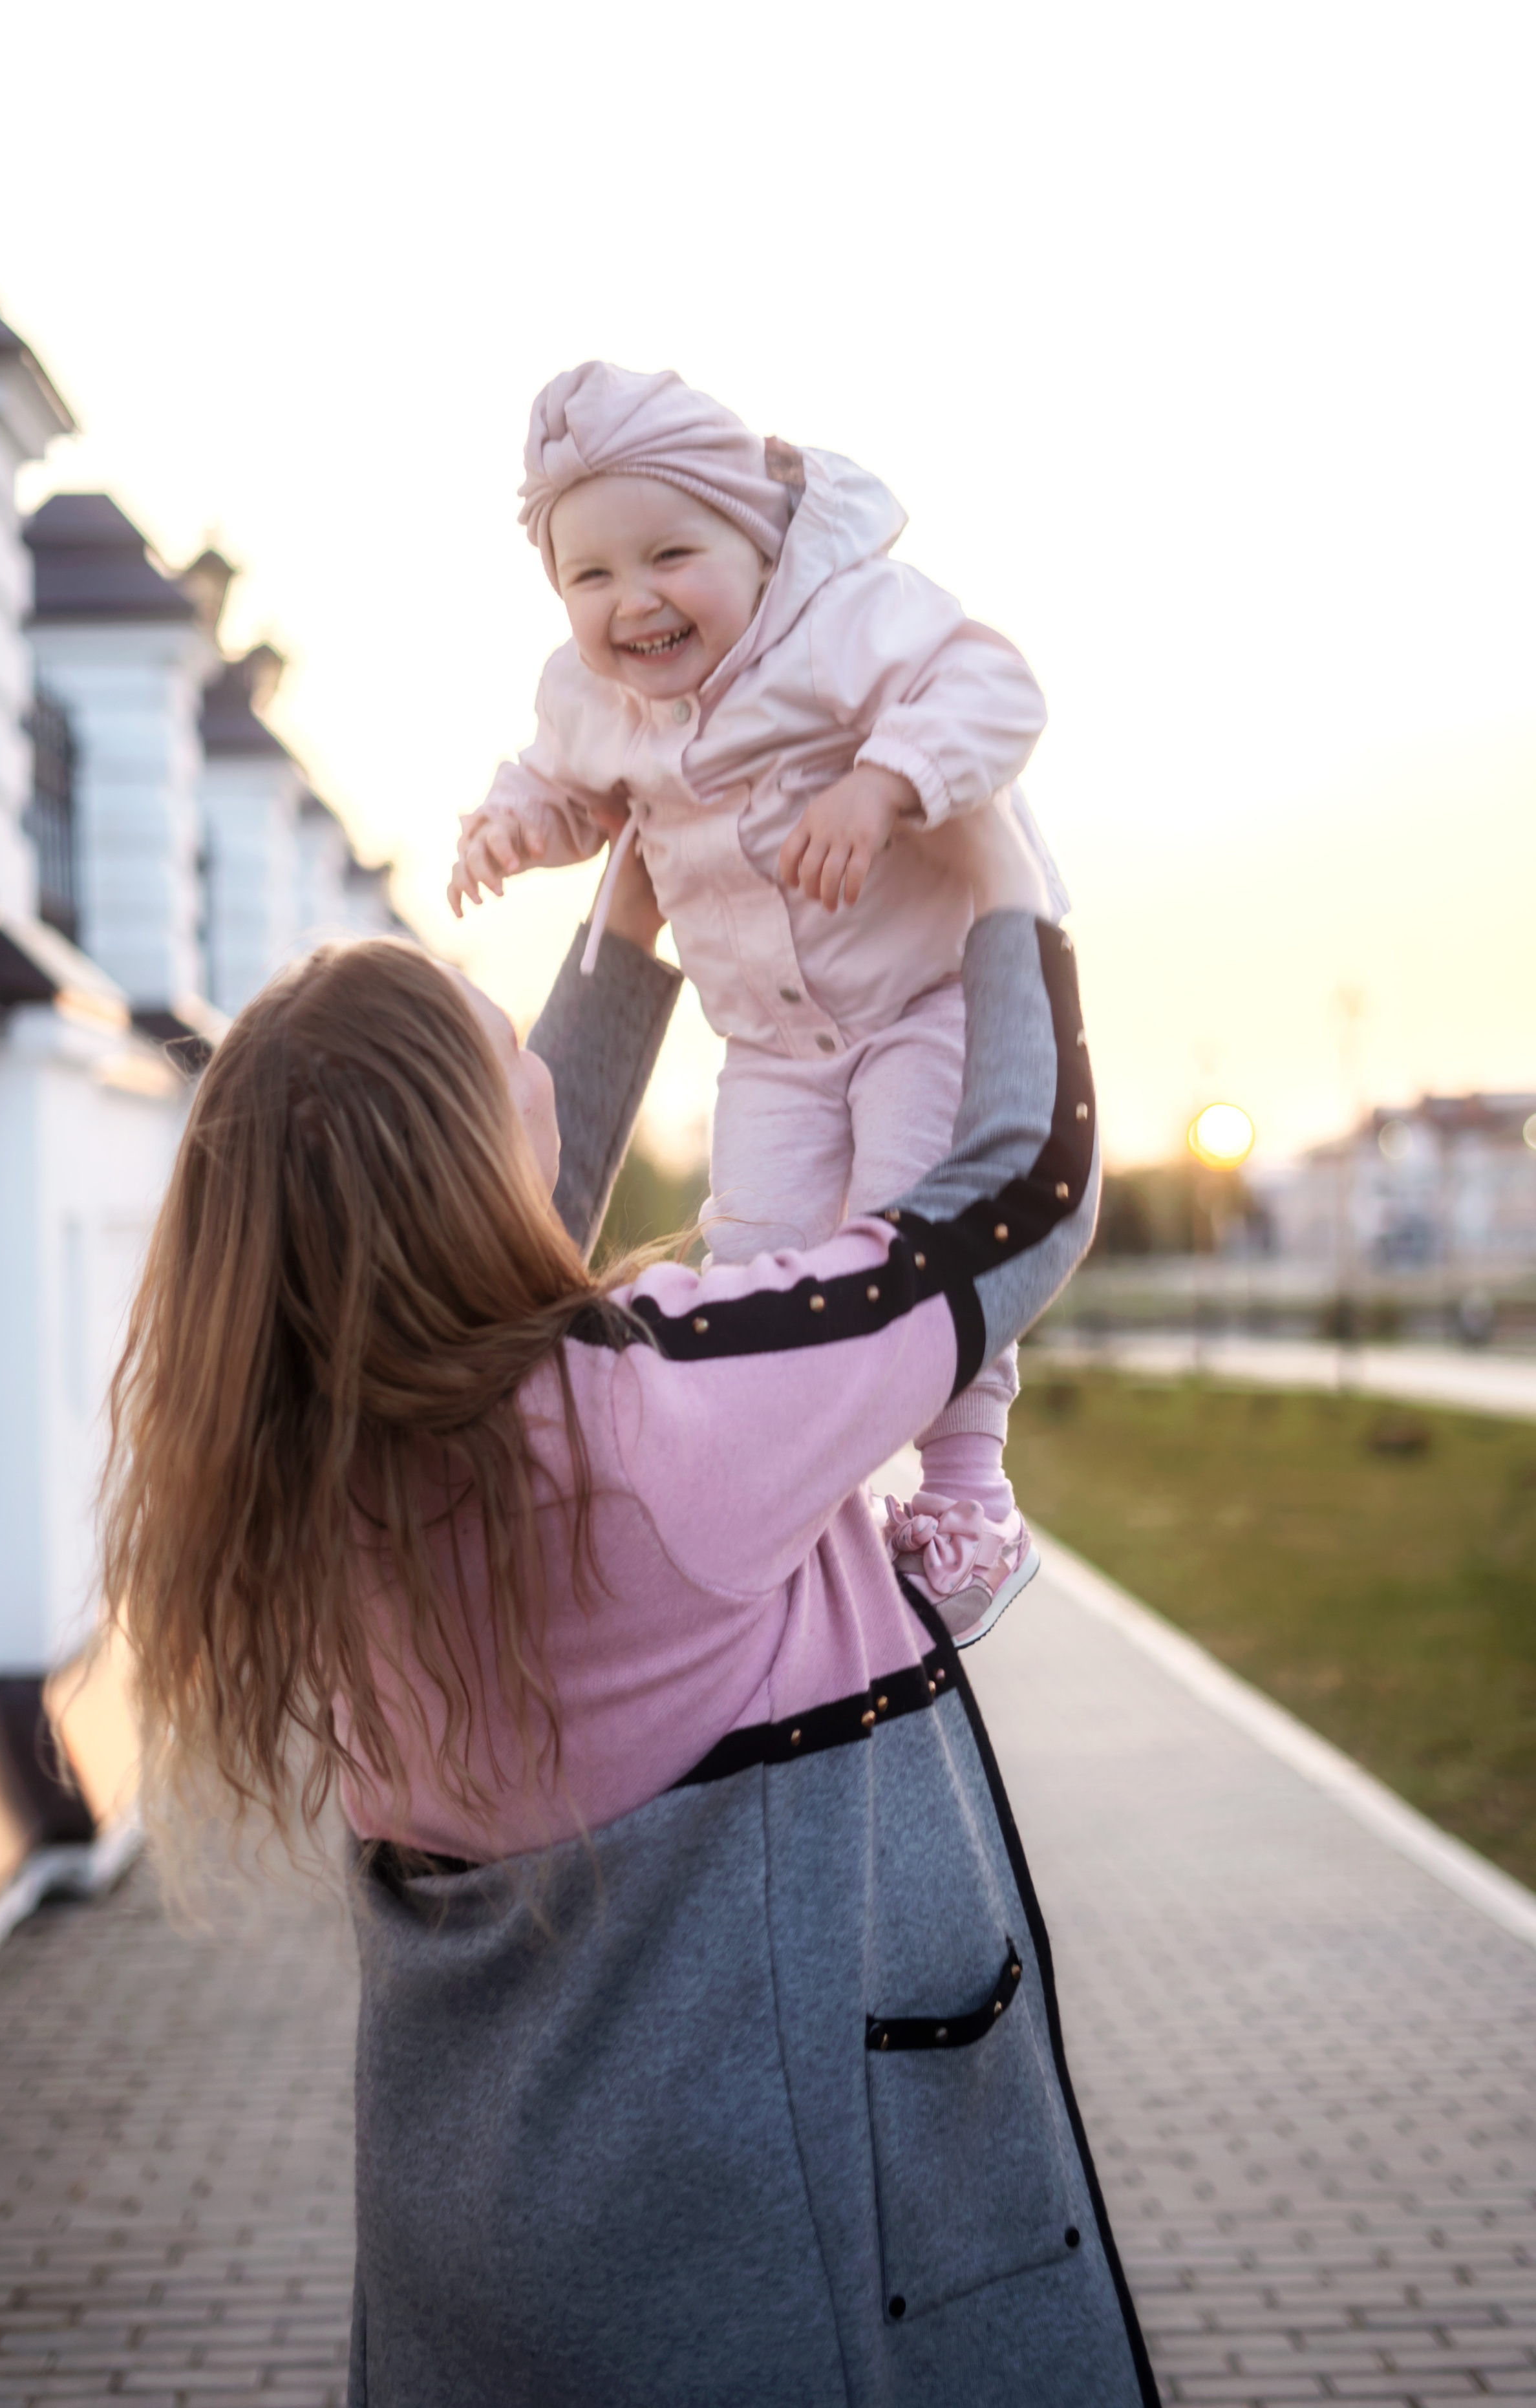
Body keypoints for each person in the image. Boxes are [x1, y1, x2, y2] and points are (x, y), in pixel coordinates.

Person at [102, 803, 1154, 2407]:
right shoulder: (667, 1429)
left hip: (487, 2267)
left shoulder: (311, 1469)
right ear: (473, 1139)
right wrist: (1007, 871)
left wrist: (634, 913)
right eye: (495, 1038)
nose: (531, 1056)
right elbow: (1020, 1199)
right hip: (773, 2268)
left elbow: (475, 1260)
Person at [448, 361, 1067, 1645]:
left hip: (920, 995)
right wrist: (513, 825)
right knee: (754, 1265)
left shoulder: (843, 621)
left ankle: (969, 1499)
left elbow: (996, 689)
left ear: (759, 539)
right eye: (589, 575)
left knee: (919, 1238)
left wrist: (884, 784)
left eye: (671, 554)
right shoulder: (592, 698)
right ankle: (800, 1515)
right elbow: (568, 785)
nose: (633, 599)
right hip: (772, 1044)